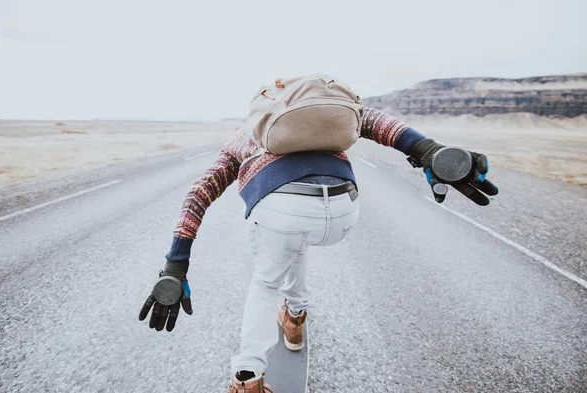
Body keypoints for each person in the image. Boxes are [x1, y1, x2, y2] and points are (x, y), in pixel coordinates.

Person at [139, 99, 498, 392]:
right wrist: (428, 150)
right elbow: (376, 123)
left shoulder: (245, 134)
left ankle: (247, 377)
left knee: (267, 277)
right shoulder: (327, 115)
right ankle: (294, 318)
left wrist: (176, 263)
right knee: (295, 240)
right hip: (344, 206)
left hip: (282, 208)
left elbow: (198, 194)